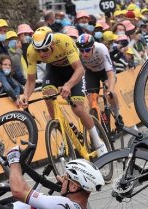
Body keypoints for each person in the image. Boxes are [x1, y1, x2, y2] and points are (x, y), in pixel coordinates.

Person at [19, 27, 108, 157]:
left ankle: (97, 141)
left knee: (78, 109)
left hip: (73, 71)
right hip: (54, 71)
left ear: (52, 43)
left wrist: (68, 85)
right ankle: (63, 135)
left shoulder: (64, 41)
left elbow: (79, 69)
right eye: (39, 50)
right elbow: (31, 81)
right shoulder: (31, 51)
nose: (42, 54)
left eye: (45, 49)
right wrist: (25, 95)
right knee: (48, 94)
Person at [76, 34, 123, 128]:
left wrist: (110, 89)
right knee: (91, 101)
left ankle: (117, 114)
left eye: (87, 50)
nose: (84, 53)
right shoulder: (77, 53)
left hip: (104, 71)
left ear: (92, 47)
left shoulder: (101, 48)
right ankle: (98, 123)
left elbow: (110, 74)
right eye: (82, 51)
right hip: (91, 72)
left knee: (110, 93)